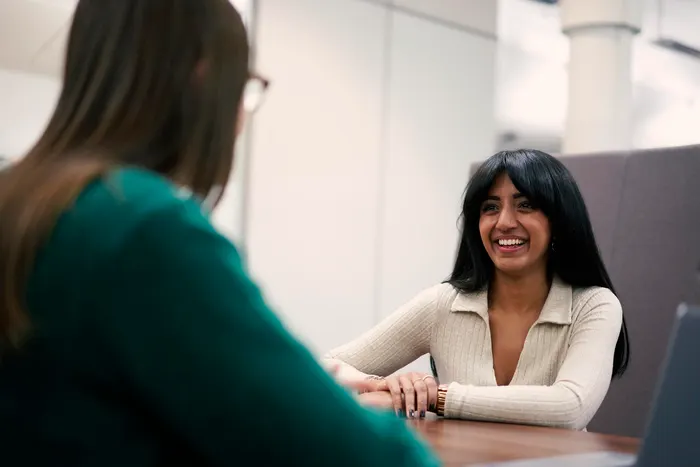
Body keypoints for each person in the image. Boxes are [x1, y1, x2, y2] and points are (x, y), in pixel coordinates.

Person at [0, 1, 439, 466]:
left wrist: (314, 390)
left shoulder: (23, 204)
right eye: (245, 88)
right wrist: (337, 414)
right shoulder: (146, 226)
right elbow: (352, 454)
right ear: (202, 78)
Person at [326, 149, 630, 430]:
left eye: (525, 205)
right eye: (490, 207)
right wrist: (380, 385)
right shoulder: (442, 304)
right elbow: (324, 369)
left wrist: (435, 398)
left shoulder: (594, 305)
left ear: (559, 221)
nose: (505, 222)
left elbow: (569, 408)